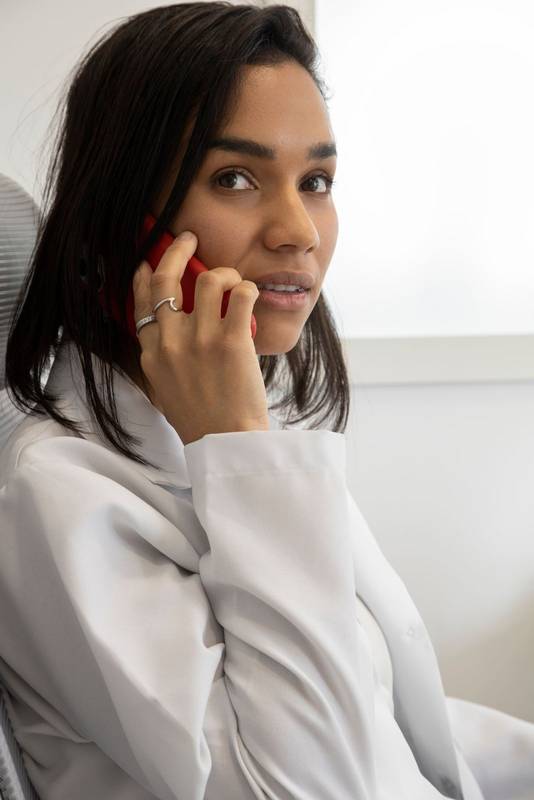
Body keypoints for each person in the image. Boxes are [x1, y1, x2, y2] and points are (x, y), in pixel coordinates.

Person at [0, 3, 533, 799]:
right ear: (127, 223)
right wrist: (239, 444)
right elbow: (314, 785)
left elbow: (385, 717)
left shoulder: (242, 429)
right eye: (235, 179)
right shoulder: (60, 497)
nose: (299, 231)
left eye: (316, 181)